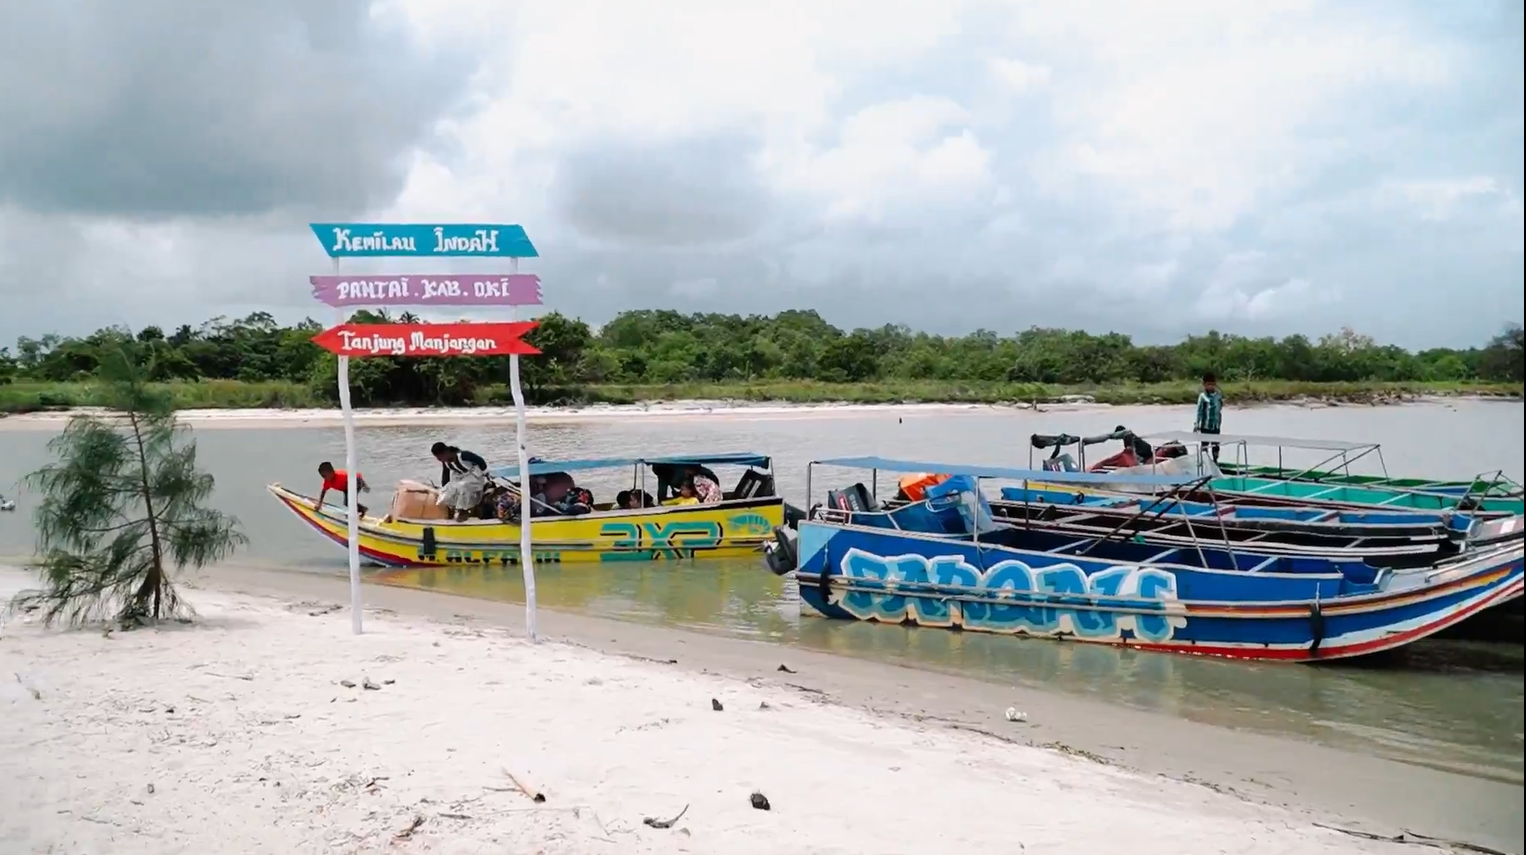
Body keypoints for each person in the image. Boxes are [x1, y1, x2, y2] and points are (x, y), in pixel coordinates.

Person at [431, 442, 489, 521]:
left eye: (440, 457)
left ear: (446, 452)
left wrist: (486, 473)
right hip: (460, 478)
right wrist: (444, 487)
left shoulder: (463, 455)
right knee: (447, 494)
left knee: (463, 487)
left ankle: (463, 511)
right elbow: (445, 474)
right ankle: (454, 509)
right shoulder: (445, 462)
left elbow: (480, 461)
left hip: (474, 478)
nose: (439, 460)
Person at [1193, 372, 1224, 463]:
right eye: (1208, 384)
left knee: (1215, 445)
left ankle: (1215, 461)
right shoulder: (1202, 397)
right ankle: (1204, 462)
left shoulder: (1218, 396)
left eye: (1212, 384)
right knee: (1205, 445)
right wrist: (1196, 424)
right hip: (1205, 425)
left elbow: (1219, 409)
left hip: (1215, 425)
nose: (1210, 386)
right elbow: (1199, 411)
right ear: (1204, 385)